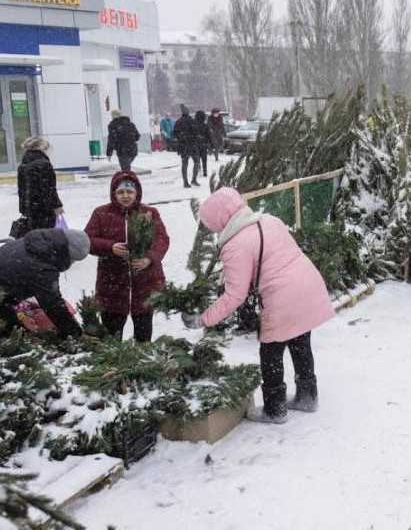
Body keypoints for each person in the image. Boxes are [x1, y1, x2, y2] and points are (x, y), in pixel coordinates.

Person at [182, 187, 334, 423]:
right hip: (308, 284)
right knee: (300, 340)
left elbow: (235, 296)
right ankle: (307, 395)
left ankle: (275, 409)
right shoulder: (269, 220)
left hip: (282, 297)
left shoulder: (235, 245)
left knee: (270, 351)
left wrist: (204, 318)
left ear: (220, 221)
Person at [84, 172, 169, 343]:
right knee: (112, 335)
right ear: (113, 193)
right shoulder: (101, 214)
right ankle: (113, 365)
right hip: (112, 284)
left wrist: (149, 259)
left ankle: (143, 363)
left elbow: (162, 239)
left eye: (130, 192)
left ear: (137, 193)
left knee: (143, 335)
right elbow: (87, 241)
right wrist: (110, 247)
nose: (125, 196)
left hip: (145, 283)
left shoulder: (149, 213)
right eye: (121, 192)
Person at [0, 228, 90, 338]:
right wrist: (75, 334)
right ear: (66, 253)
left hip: (6, 294)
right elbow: (52, 304)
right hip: (3, 297)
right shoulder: (41, 267)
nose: (72, 263)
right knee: (14, 336)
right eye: (73, 259)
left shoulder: (35, 243)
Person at [16, 137, 63, 235]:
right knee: (47, 239)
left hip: (30, 212)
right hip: (44, 211)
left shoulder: (23, 165)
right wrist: (57, 206)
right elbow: (49, 190)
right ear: (43, 148)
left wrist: (24, 209)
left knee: (35, 239)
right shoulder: (44, 164)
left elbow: (21, 191)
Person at [173, 105, 201, 188]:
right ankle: (193, 180)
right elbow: (196, 132)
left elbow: (174, 133)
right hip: (191, 145)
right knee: (196, 162)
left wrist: (181, 138)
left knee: (185, 163)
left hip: (184, 145)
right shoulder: (191, 121)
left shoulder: (178, 121)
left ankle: (186, 182)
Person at [194, 110, 211, 178]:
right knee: (204, 159)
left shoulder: (194, 125)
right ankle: (205, 171)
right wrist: (209, 143)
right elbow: (208, 135)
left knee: (197, 158)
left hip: (196, 144)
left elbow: (192, 135)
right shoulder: (205, 125)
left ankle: (198, 168)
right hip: (203, 144)